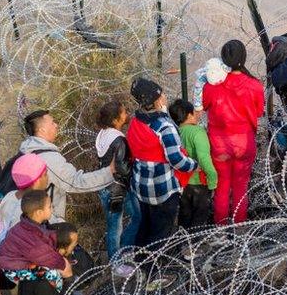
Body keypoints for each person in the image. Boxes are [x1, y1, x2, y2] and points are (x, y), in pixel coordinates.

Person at [127, 78, 197, 248]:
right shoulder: (164, 126)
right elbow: (177, 160)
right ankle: (154, 268)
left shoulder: (136, 120)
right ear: (157, 100)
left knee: (145, 226)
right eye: (162, 94)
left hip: (140, 186)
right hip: (162, 190)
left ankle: (140, 263)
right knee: (160, 233)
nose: (165, 96)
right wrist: (194, 164)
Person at [202, 40, 264, 225]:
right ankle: (240, 227)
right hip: (244, 142)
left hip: (219, 144)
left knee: (221, 188)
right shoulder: (255, 85)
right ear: (243, 58)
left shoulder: (212, 85)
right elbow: (259, 111)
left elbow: (204, 105)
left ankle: (220, 227)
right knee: (241, 187)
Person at [19, 110, 113, 224]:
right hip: (47, 224)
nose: (56, 125)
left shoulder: (26, 149)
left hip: (30, 219)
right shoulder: (48, 159)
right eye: (52, 123)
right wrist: (110, 172)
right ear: (42, 130)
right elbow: (75, 182)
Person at [94, 101, 140, 265]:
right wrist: (135, 174)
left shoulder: (102, 135)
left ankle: (121, 253)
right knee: (132, 219)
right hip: (118, 189)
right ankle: (119, 259)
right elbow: (121, 166)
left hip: (105, 186)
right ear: (115, 119)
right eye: (123, 112)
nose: (126, 114)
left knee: (114, 225)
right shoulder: (119, 139)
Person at [0, 191, 70, 283]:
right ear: (39, 213)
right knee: (54, 275)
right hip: (12, 269)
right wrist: (63, 265)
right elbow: (45, 256)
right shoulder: (29, 237)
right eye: (49, 207)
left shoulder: (28, 224)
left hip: (15, 260)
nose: (52, 209)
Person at [169, 99, 217, 229]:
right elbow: (204, 158)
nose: (197, 115)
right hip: (199, 183)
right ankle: (195, 245)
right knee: (199, 216)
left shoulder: (176, 132)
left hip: (183, 182)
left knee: (185, 215)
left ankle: (181, 243)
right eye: (194, 112)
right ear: (189, 115)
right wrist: (213, 179)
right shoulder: (197, 132)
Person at [0, 153, 51, 247]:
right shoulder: (30, 211)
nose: (48, 178)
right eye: (45, 174)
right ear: (36, 180)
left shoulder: (9, 196)